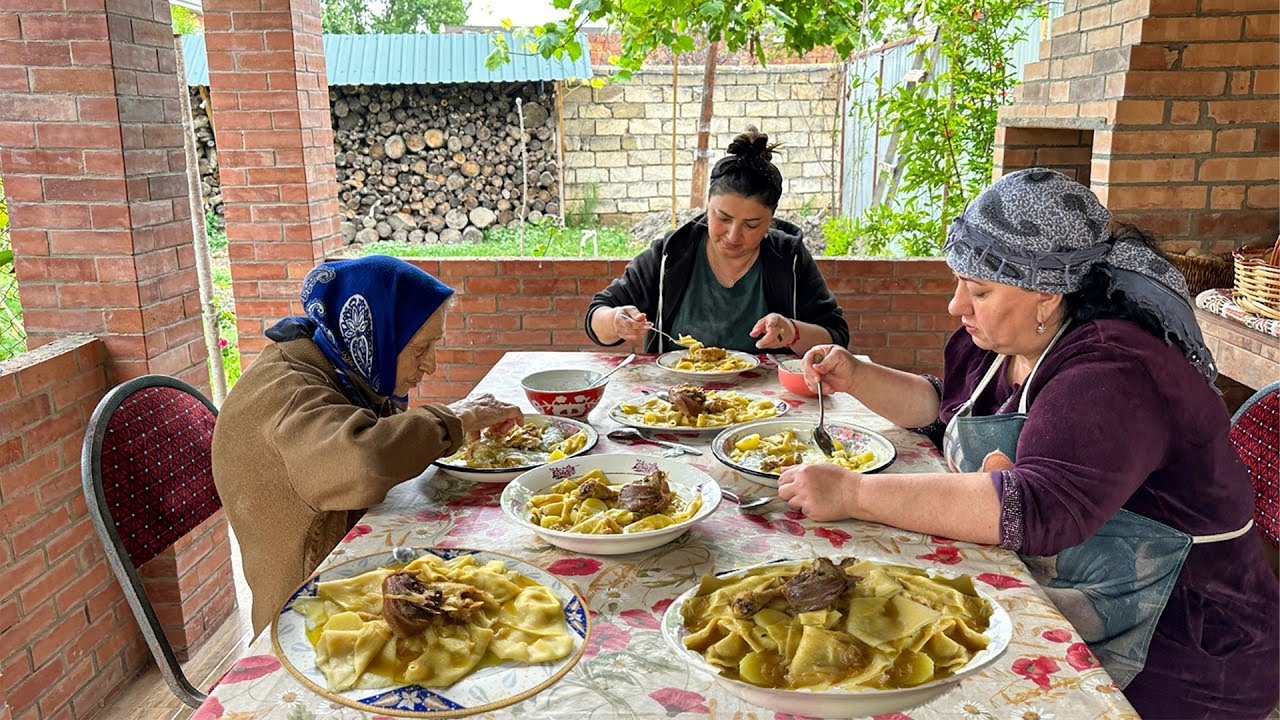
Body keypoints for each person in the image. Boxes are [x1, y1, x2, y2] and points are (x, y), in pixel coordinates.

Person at [777, 169, 1279, 719]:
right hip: (1075, 598)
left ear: (1045, 291)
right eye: (959, 284)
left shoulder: (1112, 371)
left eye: (979, 290)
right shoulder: (1006, 340)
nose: (956, 306)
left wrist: (852, 495)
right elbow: (948, 410)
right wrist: (857, 376)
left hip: (1179, 649)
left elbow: (1036, 510)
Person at [212, 255, 522, 633]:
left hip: (349, 577)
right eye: (421, 348)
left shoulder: (337, 362)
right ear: (377, 335)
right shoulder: (289, 393)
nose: (431, 366)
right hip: (309, 614)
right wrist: (456, 418)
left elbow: (382, 430)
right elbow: (366, 461)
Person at [585, 128, 848, 356]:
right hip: (675, 404)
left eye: (752, 225)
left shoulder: (788, 258)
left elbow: (836, 336)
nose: (733, 236)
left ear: (771, 221)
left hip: (766, 405)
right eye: (722, 217)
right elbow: (597, 315)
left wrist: (792, 332)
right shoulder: (673, 253)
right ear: (706, 206)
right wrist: (614, 322)